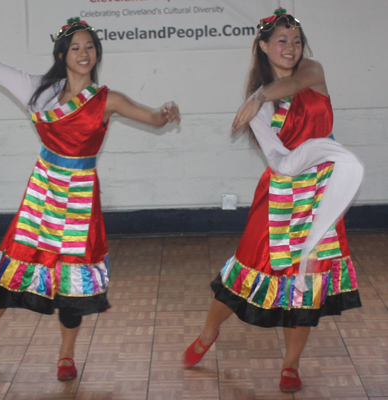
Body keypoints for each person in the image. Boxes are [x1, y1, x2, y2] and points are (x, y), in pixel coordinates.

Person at [0, 18, 180, 381]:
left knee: (72, 281)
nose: (84, 54)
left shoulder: (106, 99)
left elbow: (152, 117)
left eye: (90, 47)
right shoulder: (37, 90)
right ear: (62, 54)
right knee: (13, 265)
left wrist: (165, 112)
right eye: (76, 48)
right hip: (43, 191)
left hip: (80, 200)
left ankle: (66, 354)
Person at [182, 9, 363, 393]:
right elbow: (280, 160)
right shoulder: (259, 106)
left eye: (296, 40)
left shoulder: (312, 72)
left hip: (321, 191)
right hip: (281, 191)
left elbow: (294, 84)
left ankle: (291, 364)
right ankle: (208, 333)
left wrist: (261, 96)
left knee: (310, 275)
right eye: (282, 40)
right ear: (263, 46)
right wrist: (259, 100)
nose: (291, 47)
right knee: (247, 270)